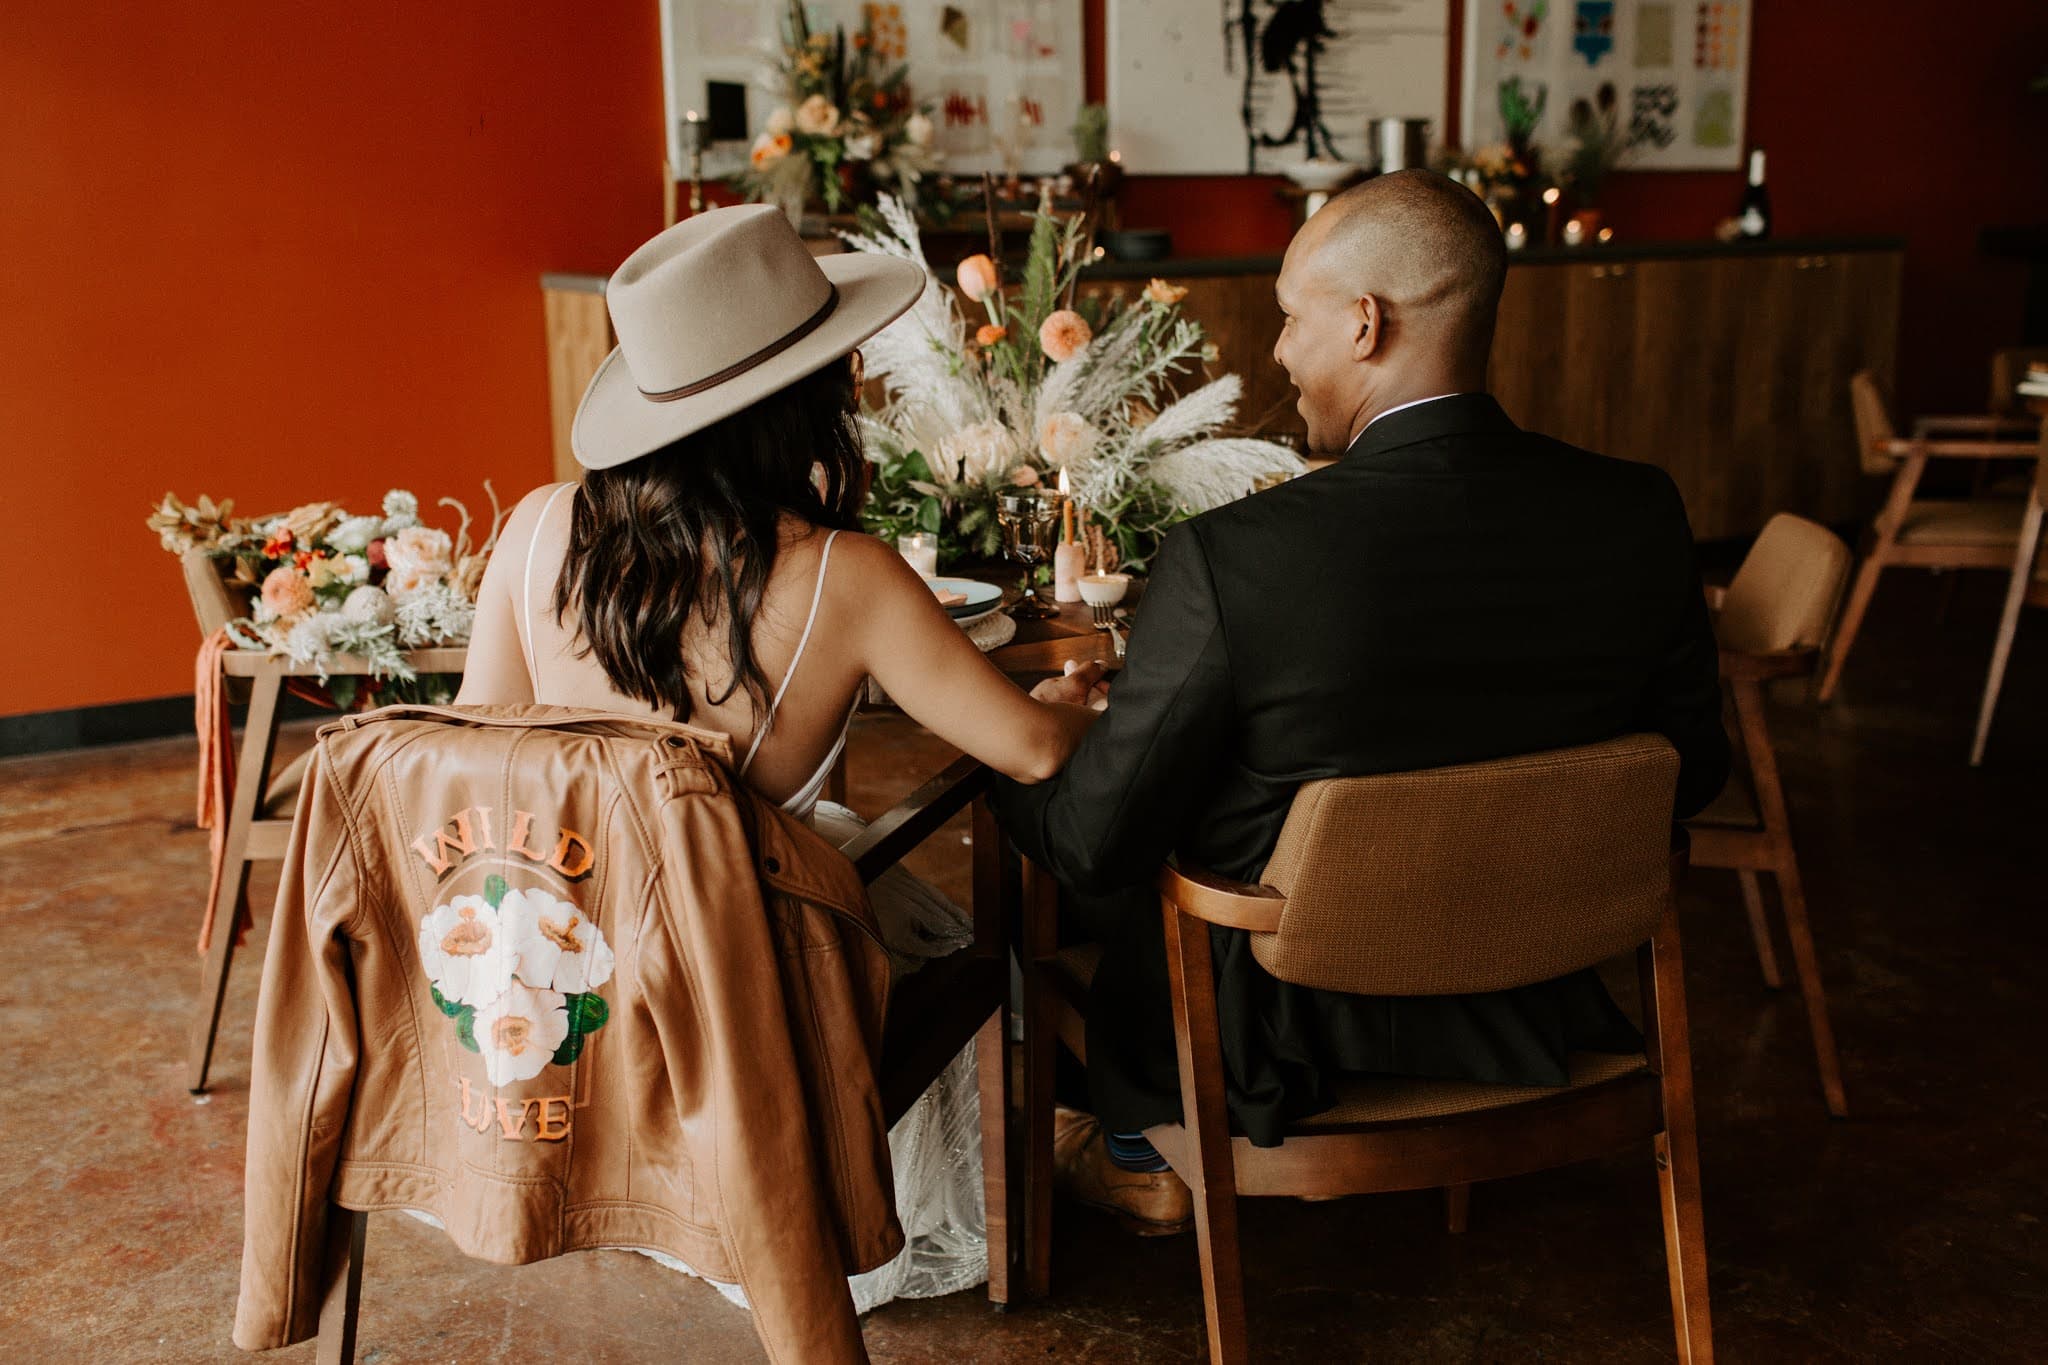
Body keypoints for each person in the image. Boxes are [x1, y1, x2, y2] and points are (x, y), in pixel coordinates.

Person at [994, 169, 1730, 1232]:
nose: (1281, 353)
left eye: (1291, 320)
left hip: (1272, 1049)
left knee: (1065, 865)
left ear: (1363, 323)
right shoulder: (1637, 510)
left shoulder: (1235, 559)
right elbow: (1689, 770)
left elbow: (1099, 844)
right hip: (1530, 1004)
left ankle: (1128, 1148)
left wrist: (1026, 751)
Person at [455, 204, 1105, 1312]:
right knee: (947, 926)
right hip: (746, 970)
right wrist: (1064, 701)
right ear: (801, 399)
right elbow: (1034, 752)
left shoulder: (530, 531)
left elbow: (480, 755)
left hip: (567, 958)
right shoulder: (842, 571)